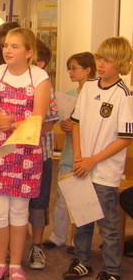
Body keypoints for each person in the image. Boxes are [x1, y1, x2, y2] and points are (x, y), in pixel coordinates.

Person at [63, 36, 133, 280]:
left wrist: (93, 160)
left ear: (121, 63)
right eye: (100, 58)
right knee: (83, 217)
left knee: (108, 225)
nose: (101, 64)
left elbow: (125, 138)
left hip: (104, 170)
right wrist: (80, 158)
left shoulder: (124, 95)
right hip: (83, 165)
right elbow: (77, 123)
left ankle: (112, 270)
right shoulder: (89, 87)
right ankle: (82, 260)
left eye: (108, 60)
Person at [0, 27, 50, 280]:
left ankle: (16, 266)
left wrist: (14, 123)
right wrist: (0, 118)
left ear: (29, 52)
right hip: (0, 150)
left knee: (20, 211)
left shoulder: (41, 77)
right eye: (5, 45)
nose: (7, 50)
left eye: (14, 46)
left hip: (26, 151)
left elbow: (39, 117)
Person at [43, 52, 95, 250]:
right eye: (69, 68)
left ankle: (78, 241)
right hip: (68, 152)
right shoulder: (70, 95)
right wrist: (65, 125)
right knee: (63, 196)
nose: (70, 72)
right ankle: (58, 235)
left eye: (74, 68)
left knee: (81, 200)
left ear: (87, 70)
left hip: (86, 154)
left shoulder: (95, 95)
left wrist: (76, 127)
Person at [27, 40, 59, 270]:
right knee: (15, 203)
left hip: (41, 153)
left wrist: (30, 131)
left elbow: (50, 121)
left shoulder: (47, 85)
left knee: (39, 201)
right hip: (16, 154)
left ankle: (36, 246)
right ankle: (11, 245)